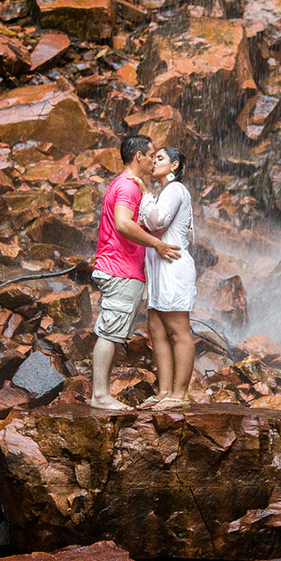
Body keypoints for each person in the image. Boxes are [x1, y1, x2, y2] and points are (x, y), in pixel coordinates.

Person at [89, 134, 181, 410]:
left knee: (113, 331)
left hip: (121, 268)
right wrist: (157, 244)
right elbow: (122, 224)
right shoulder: (128, 187)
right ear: (138, 156)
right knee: (109, 332)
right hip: (119, 268)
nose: (155, 159)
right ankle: (100, 395)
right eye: (152, 154)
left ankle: (101, 394)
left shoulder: (129, 184)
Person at [132, 146, 197, 410]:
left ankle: (180, 395)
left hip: (174, 267)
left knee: (179, 332)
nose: (154, 161)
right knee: (157, 331)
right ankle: (164, 391)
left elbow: (157, 222)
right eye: (153, 157)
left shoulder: (175, 190)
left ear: (174, 165)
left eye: (160, 158)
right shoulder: (164, 192)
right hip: (159, 271)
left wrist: (145, 194)